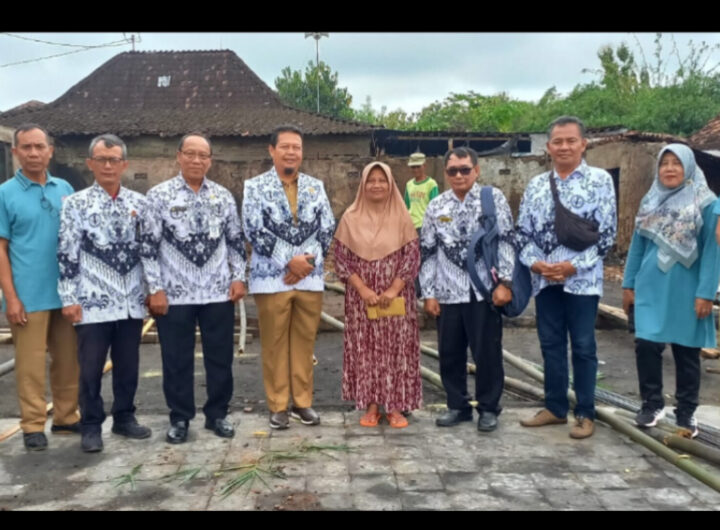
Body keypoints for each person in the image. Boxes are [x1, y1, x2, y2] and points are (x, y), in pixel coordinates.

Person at [143, 132, 247, 444]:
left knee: (220, 356)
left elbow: (235, 241)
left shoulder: (223, 197)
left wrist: (238, 277)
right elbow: (147, 247)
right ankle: (179, 418)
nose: (196, 160)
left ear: (210, 161)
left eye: (203, 155)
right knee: (176, 358)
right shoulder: (158, 196)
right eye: (190, 153)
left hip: (217, 291)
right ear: (179, 156)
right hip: (174, 293)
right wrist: (154, 288)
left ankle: (217, 414)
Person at [517, 116, 617, 439]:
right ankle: (555, 408)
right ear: (548, 147)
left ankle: (585, 413)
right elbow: (522, 233)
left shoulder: (600, 181)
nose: (564, 147)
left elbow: (606, 236)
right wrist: (535, 264)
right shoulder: (536, 185)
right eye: (557, 142)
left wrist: (573, 266)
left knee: (584, 346)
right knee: (551, 344)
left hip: (582, 281)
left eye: (571, 141)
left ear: (583, 144)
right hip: (545, 281)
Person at [57, 134, 152, 453]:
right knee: (91, 367)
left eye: (114, 160)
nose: (108, 166)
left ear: (124, 164)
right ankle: (91, 424)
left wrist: (152, 290)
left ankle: (124, 417)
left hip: (130, 301)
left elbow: (148, 251)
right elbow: (67, 253)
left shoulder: (139, 204)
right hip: (92, 301)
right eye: (101, 160)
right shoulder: (76, 204)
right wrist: (69, 297)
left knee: (128, 364)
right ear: (90, 164)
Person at [622, 144, 720, 438]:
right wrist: (628, 284)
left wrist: (706, 292)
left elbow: (712, 251)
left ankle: (686, 412)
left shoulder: (707, 203)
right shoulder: (650, 200)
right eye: (664, 163)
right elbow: (638, 245)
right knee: (646, 345)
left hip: (687, 289)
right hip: (650, 284)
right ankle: (652, 404)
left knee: (686, 350)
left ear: (688, 167)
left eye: (676, 163)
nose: (669, 168)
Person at [242, 124, 335, 430]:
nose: (291, 152)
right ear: (272, 150)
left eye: (297, 147)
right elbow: (253, 229)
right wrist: (288, 262)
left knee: (305, 342)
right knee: (274, 343)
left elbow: (327, 227)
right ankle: (279, 405)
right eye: (285, 147)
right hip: (272, 279)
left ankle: (303, 403)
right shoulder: (254, 187)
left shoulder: (316, 186)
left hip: (309, 277)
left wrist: (307, 262)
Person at [420, 146, 514, 433]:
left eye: (465, 170)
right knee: (450, 353)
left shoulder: (492, 199)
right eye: (453, 171)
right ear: (445, 173)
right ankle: (458, 405)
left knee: (487, 353)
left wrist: (505, 283)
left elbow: (507, 240)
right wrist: (428, 293)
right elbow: (428, 251)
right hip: (448, 291)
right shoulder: (436, 206)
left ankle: (488, 408)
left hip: (483, 291)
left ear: (476, 170)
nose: (459, 175)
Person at [0, 124, 80, 451]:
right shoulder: (5, 193)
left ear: (50, 151)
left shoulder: (65, 188)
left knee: (68, 360)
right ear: (16, 152)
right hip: (28, 294)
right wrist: (11, 297)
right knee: (30, 365)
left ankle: (66, 417)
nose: (34, 153)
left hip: (66, 293)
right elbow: (0, 248)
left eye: (39, 147)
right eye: (27, 147)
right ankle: (33, 424)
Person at [334, 161, 421, 428]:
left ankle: (395, 406)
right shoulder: (350, 218)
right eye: (371, 180)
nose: (376, 185)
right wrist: (363, 289)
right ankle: (371, 405)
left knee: (397, 349)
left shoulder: (402, 217)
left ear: (391, 184)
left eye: (382, 180)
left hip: (397, 297)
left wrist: (393, 289)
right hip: (362, 300)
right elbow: (341, 259)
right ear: (363, 184)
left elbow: (412, 256)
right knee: (367, 349)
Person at [404, 152, 439, 298]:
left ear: (425, 166)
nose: (416, 170)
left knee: (426, 259)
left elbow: (435, 207)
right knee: (412, 259)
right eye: (413, 167)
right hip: (411, 227)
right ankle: (416, 290)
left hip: (425, 227)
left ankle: (428, 289)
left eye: (418, 166)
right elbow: (407, 206)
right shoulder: (409, 185)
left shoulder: (431, 184)